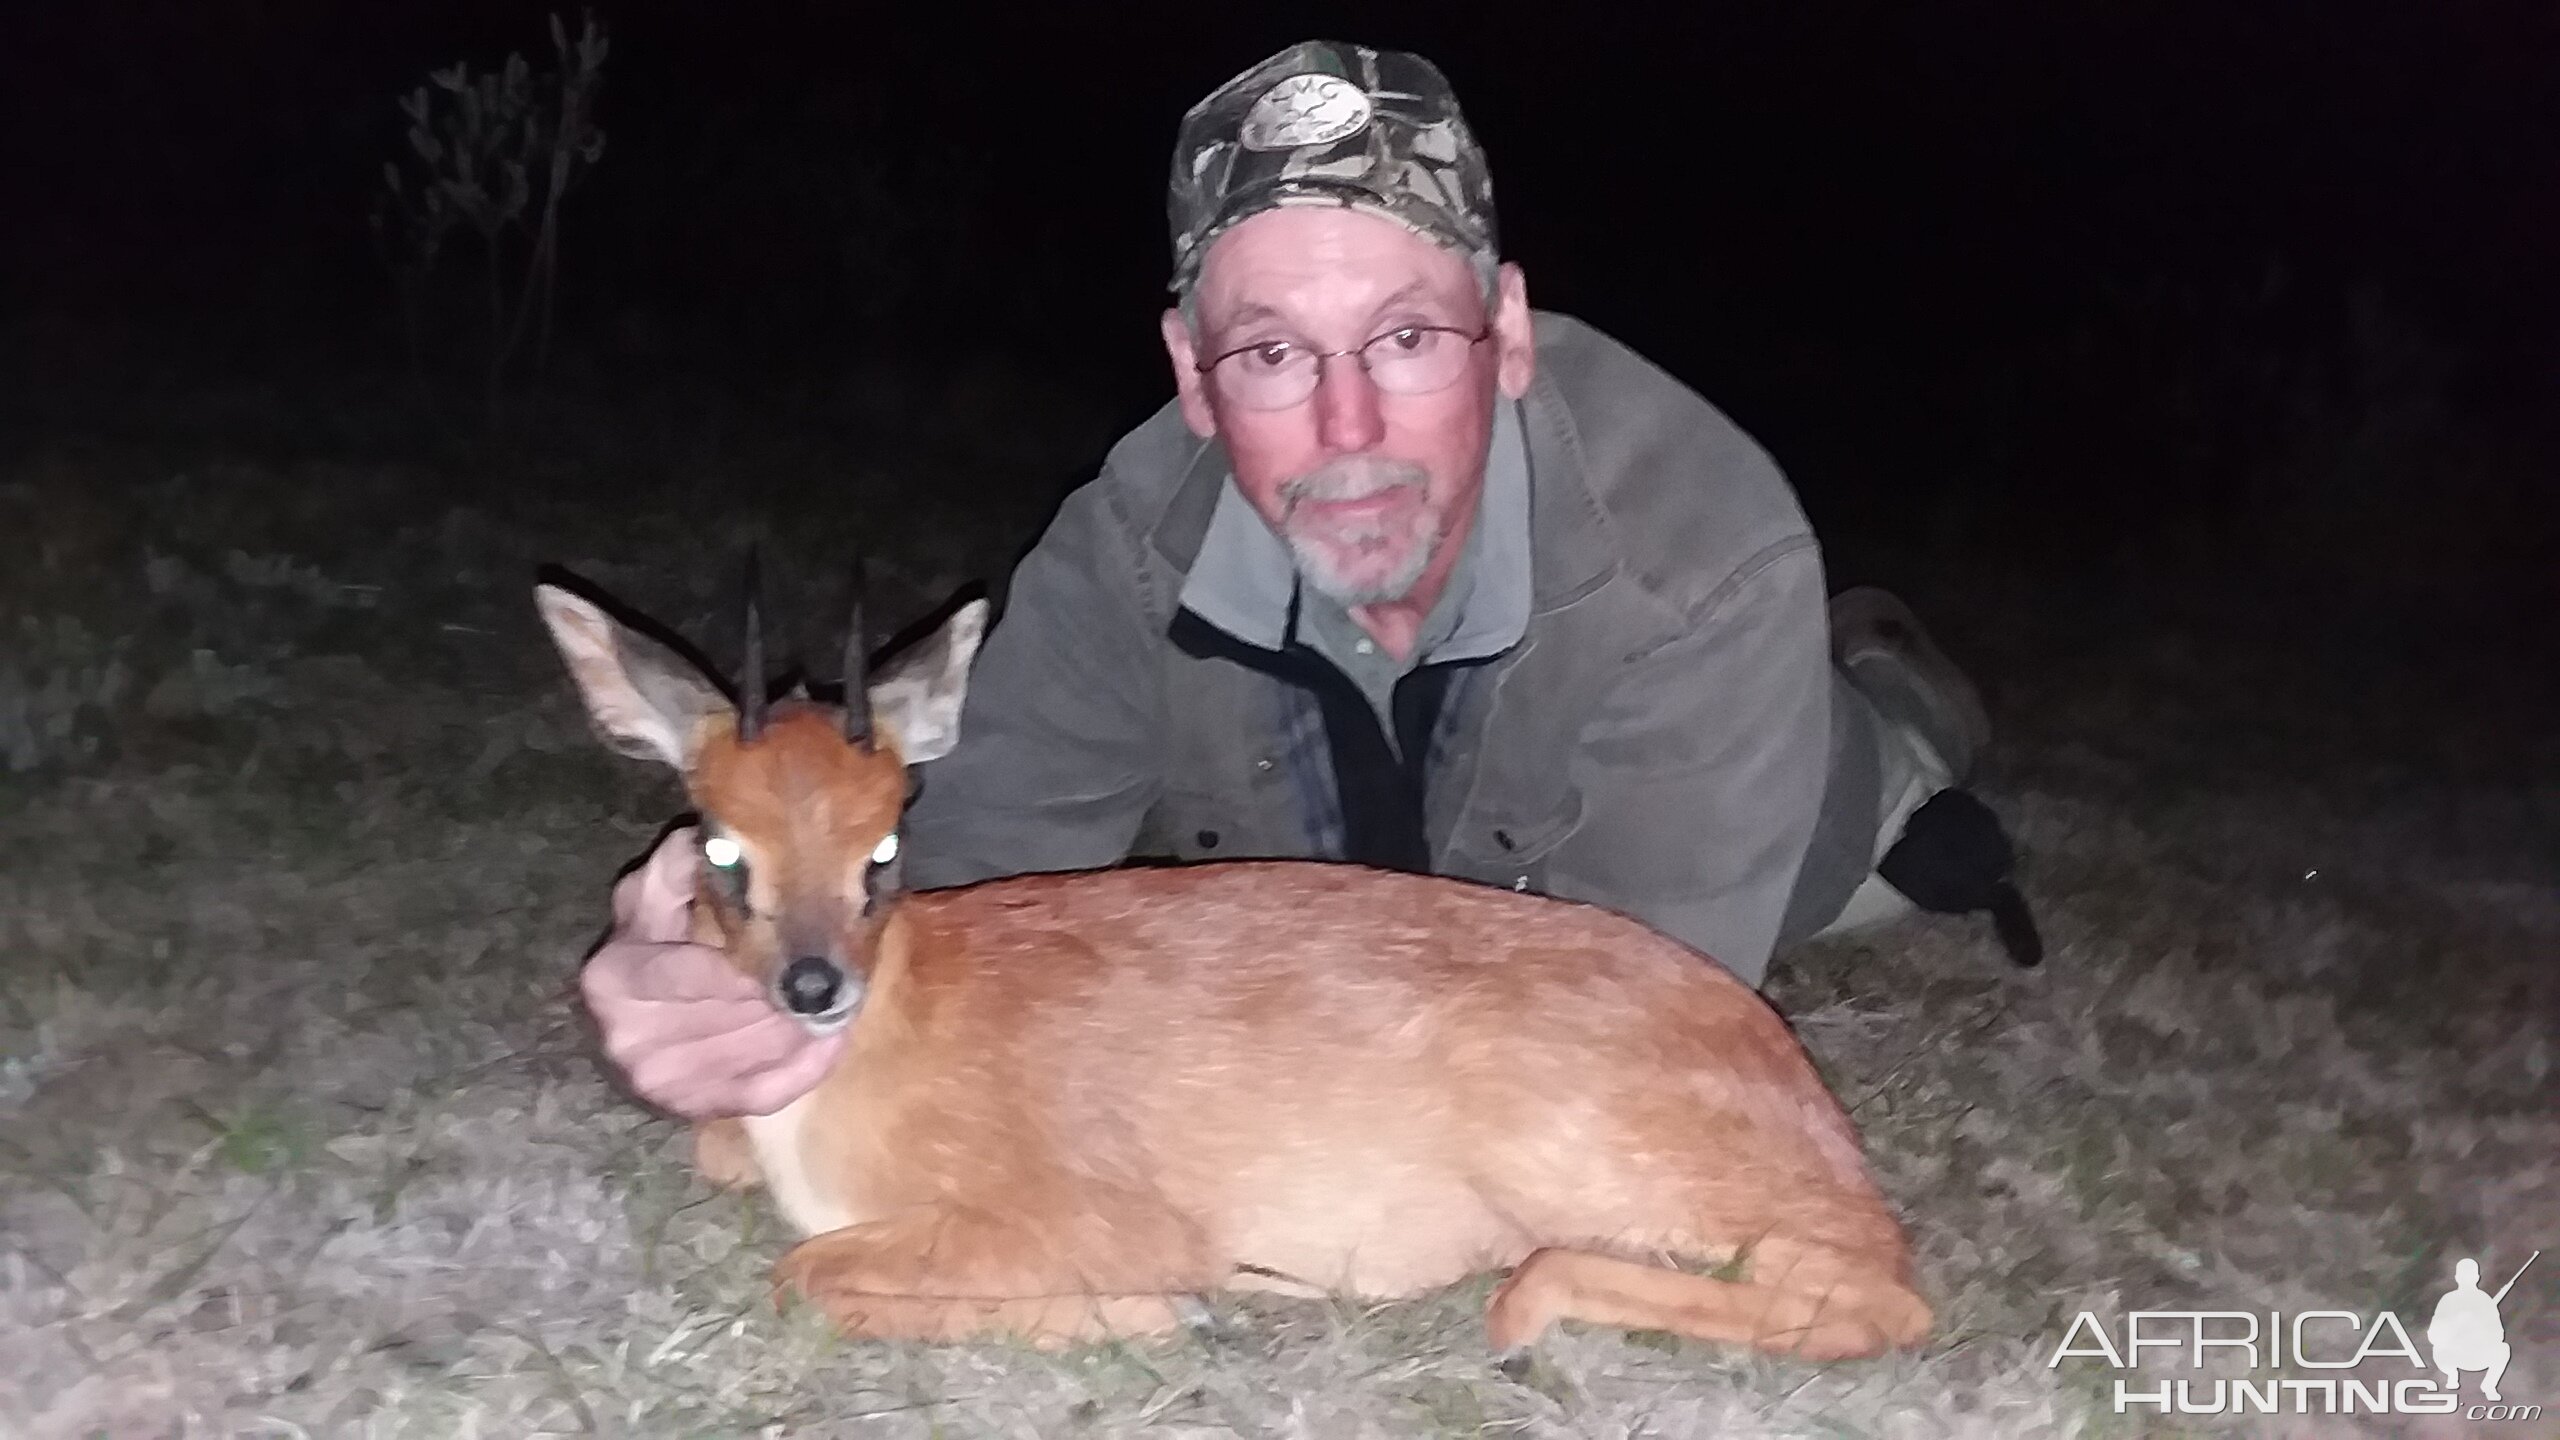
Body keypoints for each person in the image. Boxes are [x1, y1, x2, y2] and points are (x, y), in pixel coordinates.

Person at [577, 40, 2033, 1122]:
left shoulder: (1706, 561)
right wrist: (727, 953)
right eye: (1271, 353)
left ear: (1510, 333)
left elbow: (1625, 1040)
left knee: (1901, 790)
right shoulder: (1126, 552)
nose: (1346, 434)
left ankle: (1892, 672)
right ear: (1192, 380)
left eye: (1407, 339)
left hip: (1804, 825)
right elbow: (951, 897)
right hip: (1402, 921)